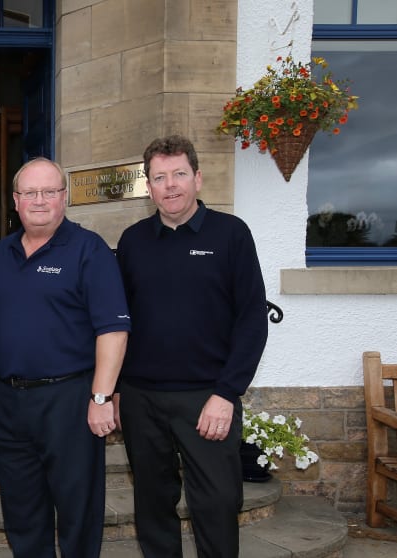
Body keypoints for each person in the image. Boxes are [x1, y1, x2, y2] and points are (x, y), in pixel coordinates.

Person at [115, 134, 269, 558]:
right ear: (149, 186)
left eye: (179, 174)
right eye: (159, 177)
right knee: (153, 502)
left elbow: (253, 320)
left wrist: (226, 393)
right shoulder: (132, 242)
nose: (171, 185)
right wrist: (113, 390)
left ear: (198, 178)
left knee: (217, 502)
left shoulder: (232, 234)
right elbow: (118, 323)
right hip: (141, 398)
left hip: (208, 397)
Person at [0, 157, 129, 557]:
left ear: (65, 198)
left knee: (78, 511)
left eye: (49, 191)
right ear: (15, 200)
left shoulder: (89, 250)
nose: (39, 200)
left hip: (70, 400)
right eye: (30, 192)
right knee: (21, 510)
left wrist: (100, 398)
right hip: (11, 404)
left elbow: (112, 330)